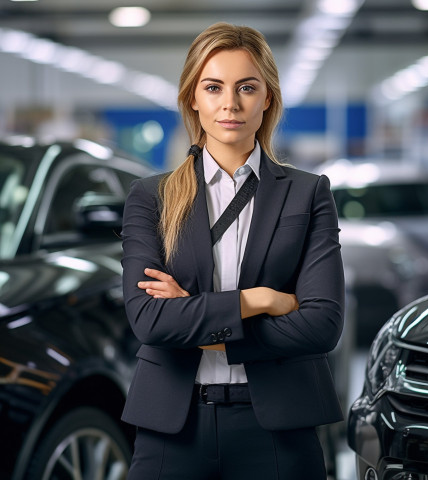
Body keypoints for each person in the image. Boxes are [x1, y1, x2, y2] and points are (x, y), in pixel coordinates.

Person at [121, 22, 345, 480]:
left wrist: (200, 323)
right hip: (172, 427)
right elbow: (147, 318)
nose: (230, 103)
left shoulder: (307, 193)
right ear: (192, 99)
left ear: (267, 98)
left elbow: (322, 325)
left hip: (280, 427)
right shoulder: (152, 197)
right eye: (213, 87)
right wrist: (258, 300)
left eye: (247, 87)